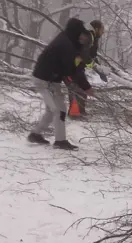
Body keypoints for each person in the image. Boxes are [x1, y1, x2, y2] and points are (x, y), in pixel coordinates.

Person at [27, 17, 93, 150]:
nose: (83, 37)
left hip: (52, 81)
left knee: (53, 111)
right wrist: (86, 86)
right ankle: (60, 141)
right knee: (59, 110)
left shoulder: (69, 41)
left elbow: (75, 67)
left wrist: (84, 84)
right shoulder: (65, 44)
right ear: (76, 32)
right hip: (44, 81)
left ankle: (35, 134)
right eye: (82, 34)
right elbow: (71, 70)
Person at [66, 19, 107, 119]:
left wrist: (100, 71)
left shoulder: (93, 37)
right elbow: (84, 54)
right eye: (102, 29)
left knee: (81, 90)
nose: (103, 32)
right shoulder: (87, 35)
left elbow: (92, 56)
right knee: (76, 89)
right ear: (96, 28)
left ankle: (80, 112)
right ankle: (74, 114)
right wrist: (94, 66)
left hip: (77, 67)